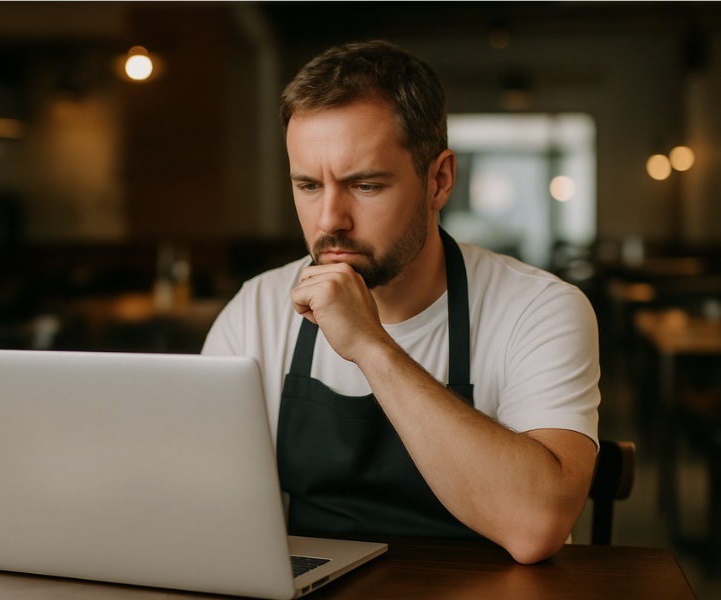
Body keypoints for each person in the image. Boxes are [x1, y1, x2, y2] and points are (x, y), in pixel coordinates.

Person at [201, 40, 600, 565]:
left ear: (439, 180)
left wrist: (371, 346)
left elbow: (537, 526)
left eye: (365, 185)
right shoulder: (256, 310)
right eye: (308, 185)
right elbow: (201, 504)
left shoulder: (539, 309)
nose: (330, 219)